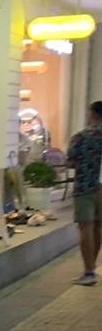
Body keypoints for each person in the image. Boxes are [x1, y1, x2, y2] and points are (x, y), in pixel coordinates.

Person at [66, 101, 102, 287]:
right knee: (98, 228)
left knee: (86, 227)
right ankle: (92, 267)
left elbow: (70, 162)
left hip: (85, 187)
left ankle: (88, 272)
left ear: (92, 114)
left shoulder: (81, 137)